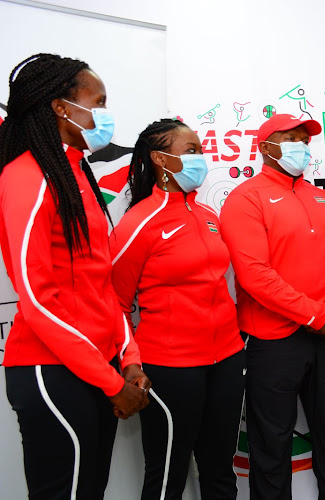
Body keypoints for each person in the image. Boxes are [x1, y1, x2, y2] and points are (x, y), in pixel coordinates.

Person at [0, 53, 150, 499]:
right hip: (51, 371)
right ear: (61, 108)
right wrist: (110, 382)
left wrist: (129, 358)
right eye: (97, 103)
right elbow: (38, 298)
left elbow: (101, 285)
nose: (105, 115)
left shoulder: (77, 174)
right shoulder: (25, 176)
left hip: (98, 366)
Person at [220, 114, 325, 500]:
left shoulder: (323, 198)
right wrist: (315, 314)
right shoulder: (246, 199)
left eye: (305, 139)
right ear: (266, 148)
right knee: (271, 446)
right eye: (292, 138)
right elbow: (254, 275)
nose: (302, 145)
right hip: (271, 343)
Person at [109, 118, 246, 499]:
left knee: (221, 471)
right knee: (166, 475)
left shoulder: (208, 216)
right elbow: (114, 304)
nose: (201, 158)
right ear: (160, 159)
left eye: (201, 150)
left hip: (227, 360)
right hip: (170, 368)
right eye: (191, 151)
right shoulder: (139, 222)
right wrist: (130, 361)